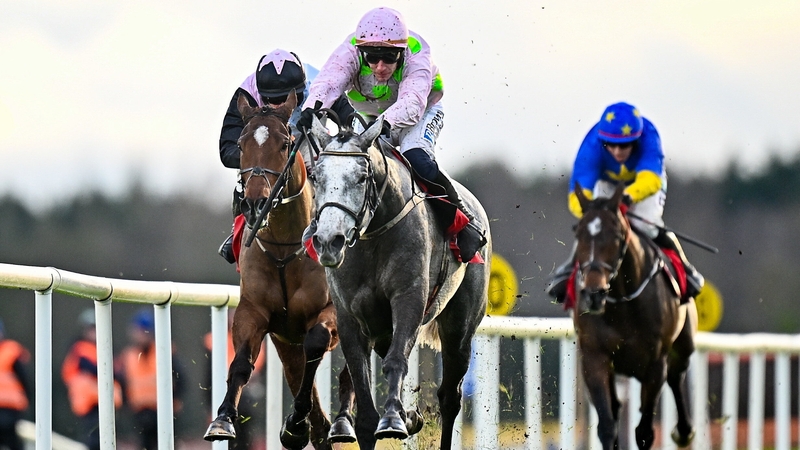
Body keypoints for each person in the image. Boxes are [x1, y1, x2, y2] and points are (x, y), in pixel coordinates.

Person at [296, 6, 486, 261]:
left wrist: (384, 126)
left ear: (401, 52)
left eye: (388, 57)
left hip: (419, 114)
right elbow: (328, 83)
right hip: (370, 117)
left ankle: (463, 223)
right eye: (372, 58)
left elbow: (412, 104)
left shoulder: (418, 55)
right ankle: (321, 226)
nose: (380, 66)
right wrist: (312, 109)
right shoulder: (349, 50)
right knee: (344, 164)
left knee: (416, 158)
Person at [546, 102, 704, 303]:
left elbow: (650, 179)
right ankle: (568, 270)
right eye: (610, 145)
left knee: (646, 225)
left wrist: (627, 198)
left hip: (645, 184)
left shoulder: (650, 136)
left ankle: (685, 269)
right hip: (607, 184)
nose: (617, 151)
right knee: (594, 227)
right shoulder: (591, 144)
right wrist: (593, 212)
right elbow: (577, 192)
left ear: (636, 140)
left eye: (624, 145)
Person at [217, 48, 354, 265]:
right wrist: (255, 158)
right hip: (267, 146)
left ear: (301, 89)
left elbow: (350, 120)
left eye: (286, 98)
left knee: (325, 174)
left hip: (306, 137)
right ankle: (238, 230)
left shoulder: (322, 82)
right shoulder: (247, 93)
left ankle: (330, 231)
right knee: (247, 176)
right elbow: (227, 148)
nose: (280, 104)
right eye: (272, 99)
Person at [115, 309, 185, 450]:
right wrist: (127, 406)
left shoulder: (164, 351)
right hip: (141, 415)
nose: (138, 335)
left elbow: (181, 379)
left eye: (141, 331)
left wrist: (175, 401)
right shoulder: (128, 355)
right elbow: (122, 383)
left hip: (164, 412)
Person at [203, 310, 266, 449]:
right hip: (224, 400)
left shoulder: (255, 341)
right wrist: (210, 407)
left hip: (247, 402)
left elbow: (260, 374)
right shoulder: (216, 341)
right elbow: (208, 378)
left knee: (245, 440)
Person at [61, 309, 122, 450]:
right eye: (91, 328)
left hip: (107, 401)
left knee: (107, 437)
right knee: (93, 438)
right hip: (89, 403)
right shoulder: (80, 349)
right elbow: (95, 369)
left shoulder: (107, 348)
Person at [0, 318, 31, 450]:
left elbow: (24, 378)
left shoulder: (12, 350)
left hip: (10, 408)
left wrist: (29, 399)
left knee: (11, 439)